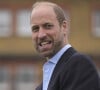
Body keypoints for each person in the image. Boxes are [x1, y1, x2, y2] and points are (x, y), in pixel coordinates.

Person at [30, 1, 100, 90]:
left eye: (48, 26)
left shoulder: (79, 65)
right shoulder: (42, 86)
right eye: (35, 29)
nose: (41, 35)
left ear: (64, 27)